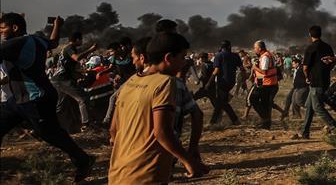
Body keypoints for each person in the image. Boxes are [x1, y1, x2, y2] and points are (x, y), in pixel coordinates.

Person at [0, 13, 95, 182]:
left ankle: (83, 160)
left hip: (35, 99)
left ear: (14, 28)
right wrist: (57, 25)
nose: (1, 31)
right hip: (21, 99)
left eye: (3, 28)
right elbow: (53, 42)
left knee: (52, 134)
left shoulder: (15, 44)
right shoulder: (36, 39)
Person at [109, 32, 208, 183]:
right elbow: (162, 132)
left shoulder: (130, 82)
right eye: (182, 57)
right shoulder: (165, 82)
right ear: (168, 58)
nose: (183, 63)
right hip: (147, 172)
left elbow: (113, 129)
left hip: (119, 171)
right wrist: (189, 161)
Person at [53, 31, 96, 130]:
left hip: (56, 80)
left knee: (60, 106)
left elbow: (69, 68)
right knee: (83, 98)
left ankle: (49, 126)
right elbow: (77, 58)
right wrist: (91, 50)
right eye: (81, 40)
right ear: (77, 40)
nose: (82, 42)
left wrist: (82, 72)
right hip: (62, 80)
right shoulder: (70, 48)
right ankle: (85, 125)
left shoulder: (64, 49)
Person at [208, 40, 240, 126]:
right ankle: (214, 122)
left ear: (221, 47)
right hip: (232, 82)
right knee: (220, 102)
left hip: (222, 82)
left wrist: (209, 82)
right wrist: (243, 81)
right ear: (229, 46)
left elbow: (216, 70)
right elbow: (242, 69)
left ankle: (235, 120)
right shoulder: (235, 56)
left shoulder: (219, 55)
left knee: (223, 102)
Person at [249, 40, 279, 129]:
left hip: (266, 84)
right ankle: (266, 124)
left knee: (253, 99)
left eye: (255, 48)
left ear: (260, 48)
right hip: (271, 83)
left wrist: (255, 67)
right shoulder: (268, 54)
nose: (254, 49)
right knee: (265, 104)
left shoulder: (265, 57)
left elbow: (264, 72)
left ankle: (265, 119)